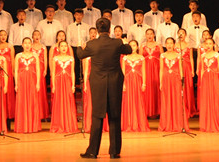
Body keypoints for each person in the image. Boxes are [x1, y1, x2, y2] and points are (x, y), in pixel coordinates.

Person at [76, 17, 133, 159]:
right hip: (114, 83)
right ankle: (114, 151)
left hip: (98, 84)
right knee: (114, 116)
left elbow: (81, 55)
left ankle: (92, 151)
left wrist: (80, 46)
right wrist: (125, 42)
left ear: (97, 30)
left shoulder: (92, 44)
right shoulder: (117, 43)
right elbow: (129, 49)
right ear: (109, 29)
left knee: (97, 116)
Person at [197, 38, 219, 132]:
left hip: (215, 78)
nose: (208, 45)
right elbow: (202, 69)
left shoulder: (217, 55)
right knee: (206, 100)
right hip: (206, 79)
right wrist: (201, 81)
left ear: (213, 45)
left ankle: (217, 122)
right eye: (207, 44)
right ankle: (207, 123)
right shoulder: (203, 55)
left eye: (210, 43)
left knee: (216, 99)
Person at [158, 38, 188, 133]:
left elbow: (180, 69)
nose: (169, 45)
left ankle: (177, 123)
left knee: (177, 101)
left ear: (174, 45)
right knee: (166, 101)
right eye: (167, 43)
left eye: (171, 43)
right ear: (165, 45)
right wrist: (160, 82)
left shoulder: (178, 55)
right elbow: (161, 69)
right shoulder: (162, 55)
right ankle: (167, 124)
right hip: (166, 80)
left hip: (176, 80)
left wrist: (182, 81)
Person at [14, 37, 42, 133]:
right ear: (22, 45)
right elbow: (16, 70)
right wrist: (16, 84)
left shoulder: (35, 56)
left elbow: (38, 70)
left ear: (31, 45)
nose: (27, 45)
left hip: (32, 81)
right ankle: (22, 126)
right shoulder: (18, 56)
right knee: (21, 102)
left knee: (32, 101)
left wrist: (38, 83)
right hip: (21, 81)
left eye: (29, 43)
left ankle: (32, 126)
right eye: (25, 43)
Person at [50, 40, 79, 133]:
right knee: (58, 102)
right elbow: (53, 72)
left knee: (68, 102)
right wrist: (53, 85)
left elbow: (72, 72)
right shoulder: (55, 58)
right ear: (58, 48)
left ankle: (69, 125)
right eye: (62, 46)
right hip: (58, 82)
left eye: (65, 46)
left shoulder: (71, 59)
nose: (63, 48)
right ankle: (58, 125)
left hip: (68, 82)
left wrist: (73, 85)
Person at [120, 40, 149, 132]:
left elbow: (144, 71)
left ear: (137, 47)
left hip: (138, 82)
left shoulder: (141, 58)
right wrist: (123, 84)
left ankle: (139, 123)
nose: (132, 47)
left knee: (138, 101)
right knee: (127, 101)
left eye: (134, 45)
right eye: (131, 46)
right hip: (128, 81)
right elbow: (122, 72)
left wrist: (144, 83)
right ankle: (128, 124)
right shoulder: (125, 58)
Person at [141, 28, 162, 118]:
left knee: (156, 87)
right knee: (147, 87)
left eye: (151, 34)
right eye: (148, 34)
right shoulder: (142, 46)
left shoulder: (159, 45)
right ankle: (146, 111)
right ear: (145, 35)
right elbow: (140, 59)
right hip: (146, 69)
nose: (149, 36)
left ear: (154, 35)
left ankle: (157, 111)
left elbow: (163, 57)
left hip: (156, 69)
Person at [176, 28, 197, 117]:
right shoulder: (174, 45)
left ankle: (188, 107)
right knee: (179, 87)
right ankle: (179, 108)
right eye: (179, 33)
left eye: (183, 33)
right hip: (177, 67)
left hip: (187, 67)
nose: (181, 35)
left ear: (185, 35)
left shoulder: (189, 46)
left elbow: (191, 58)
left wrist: (192, 69)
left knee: (187, 86)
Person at [0, 29, 16, 121]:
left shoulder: (10, 46)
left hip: (8, 71)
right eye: (1, 35)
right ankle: (0, 111)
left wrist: (13, 71)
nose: (3, 36)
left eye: (5, 35)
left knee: (8, 90)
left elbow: (12, 59)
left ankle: (9, 112)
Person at [31, 29, 50, 119]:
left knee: (41, 89)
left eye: (38, 35)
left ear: (41, 36)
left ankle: (41, 112)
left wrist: (45, 69)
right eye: (35, 35)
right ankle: (33, 111)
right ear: (32, 37)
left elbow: (45, 59)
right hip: (32, 69)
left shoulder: (43, 47)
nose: (37, 36)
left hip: (41, 69)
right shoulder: (30, 46)